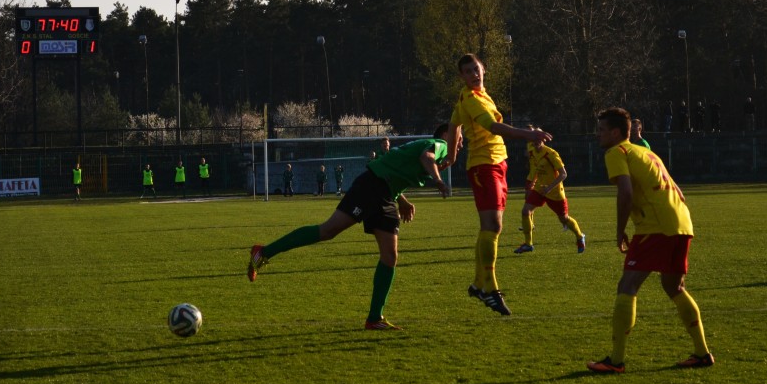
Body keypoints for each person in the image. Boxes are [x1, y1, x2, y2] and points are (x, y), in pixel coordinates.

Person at [248, 126, 451, 330]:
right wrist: (439, 181)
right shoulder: (440, 145)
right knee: (328, 230)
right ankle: (263, 252)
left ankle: (374, 319)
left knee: (390, 256)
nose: (460, 142)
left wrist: (402, 200)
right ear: (445, 135)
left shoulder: (431, 147)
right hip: (371, 188)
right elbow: (427, 157)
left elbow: (393, 169)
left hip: (387, 194)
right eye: (458, 137)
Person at [586, 107, 713, 374]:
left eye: (601, 130)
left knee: (627, 285)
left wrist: (620, 230)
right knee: (674, 286)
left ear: (616, 133)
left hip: (656, 227)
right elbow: (678, 190)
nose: (597, 135)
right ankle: (702, 353)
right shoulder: (647, 152)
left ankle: (616, 360)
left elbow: (626, 193)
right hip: (681, 222)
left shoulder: (616, 152)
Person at [445, 53, 550, 316]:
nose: (473, 75)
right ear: (462, 76)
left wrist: (453, 154)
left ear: (483, 70)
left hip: (497, 164)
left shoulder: (480, 95)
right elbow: (493, 127)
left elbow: (454, 123)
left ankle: (479, 284)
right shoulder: (470, 98)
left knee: (491, 227)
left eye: (476, 69)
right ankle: (490, 288)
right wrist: (529, 134)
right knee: (493, 225)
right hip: (484, 166)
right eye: (468, 72)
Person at [514, 137, 584, 254]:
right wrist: (531, 184)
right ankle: (528, 244)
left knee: (564, 218)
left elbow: (563, 174)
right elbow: (535, 170)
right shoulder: (531, 152)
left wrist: (549, 188)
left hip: (554, 191)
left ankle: (580, 236)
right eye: (533, 139)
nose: (535, 142)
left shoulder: (551, 154)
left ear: (543, 140)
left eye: (538, 139)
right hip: (539, 189)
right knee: (525, 211)